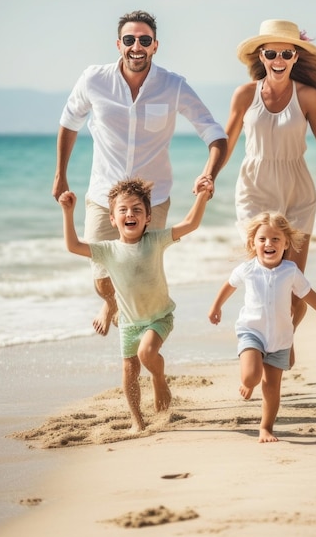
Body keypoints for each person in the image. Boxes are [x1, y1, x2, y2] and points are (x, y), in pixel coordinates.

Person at [52, 10, 227, 337]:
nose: (136, 46)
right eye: (129, 40)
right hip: (104, 195)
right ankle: (111, 304)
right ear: (119, 44)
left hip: (153, 198)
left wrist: (209, 173)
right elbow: (69, 123)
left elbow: (214, 132)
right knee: (102, 278)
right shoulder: (94, 80)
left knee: (139, 274)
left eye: (144, 40)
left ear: (155, 46)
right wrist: (60, 175)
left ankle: (135, 346)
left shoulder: (173, 86)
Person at [214, 19, 316, 353]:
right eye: (272, 53)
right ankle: (258, 340)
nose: (279, 59)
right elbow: (225, 143)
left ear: (296, 56)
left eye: (286, 53)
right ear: (261, 56)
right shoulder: (244, 95)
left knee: (293, 279)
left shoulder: (308, 96)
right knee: (262, 271)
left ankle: (283, 343)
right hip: (254, 190)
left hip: (297, 192)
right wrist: (208, 175)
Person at [58, 176, 213, 433]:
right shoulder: (107, 250)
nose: (130, 214)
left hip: (158, 317)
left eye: (137, 210)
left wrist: (202, 195)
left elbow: (190, 223)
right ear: (112, 218)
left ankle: (159, 378)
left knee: (146, 354)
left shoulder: (155, 240)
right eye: (123, 210)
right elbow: (73, 246)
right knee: (129, 371)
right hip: (129, 322)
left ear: (148, 217)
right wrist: (68, 212)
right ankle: (137, 421)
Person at [208, 212, 316, 443]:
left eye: (276, 239)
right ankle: (247, 382)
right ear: (253, 243)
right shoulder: (247, 269)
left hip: (280, 338)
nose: (269, 244)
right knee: (252, 376)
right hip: (252, 331)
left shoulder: (290, 271)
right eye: (263, 239)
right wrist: (216, 306)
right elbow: (229, 286)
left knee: (272, 386)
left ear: (286, 243)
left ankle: (265, 428)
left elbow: (308, 294)